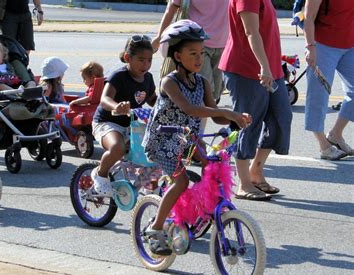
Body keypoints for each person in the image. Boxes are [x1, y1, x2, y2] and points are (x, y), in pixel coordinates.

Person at [142, 20, 251, 256]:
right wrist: (224, 112)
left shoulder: (202, 81)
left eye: (201, 53)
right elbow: (190, 109)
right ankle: (155, 228)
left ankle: (199, 210)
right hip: (163, 142)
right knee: (181, 182)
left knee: (212, 165)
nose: (199, 58)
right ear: (177, 56)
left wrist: (234, 118)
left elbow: (215, 114)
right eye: (193, 53)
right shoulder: (169, 82)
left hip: (188, 139)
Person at [219, 0, 293, 200]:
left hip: (271, 69)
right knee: (248, 123)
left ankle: (256, 172)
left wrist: (273, 66)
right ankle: (243, 183)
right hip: (247, 70)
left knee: (281, 119)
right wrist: (264, 66)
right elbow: (251, 32)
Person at [91, 35, 157, 197]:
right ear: (128, 57)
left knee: (155, 150)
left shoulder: (148, 78)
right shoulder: (118, 76)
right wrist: (117, 106)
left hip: (130, 126)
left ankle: (146, 184)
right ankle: (100, 174)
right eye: (141, 60)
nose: (146, 65)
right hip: (107, 123)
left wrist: (169, 106)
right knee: (118, 148)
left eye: (149, 60)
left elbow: (153, 100)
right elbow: (104, 99)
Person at [304, 0, 354, 160]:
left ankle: (336, 134)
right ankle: (323, 145)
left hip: (350, 45)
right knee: (318, 96)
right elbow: (309, 17)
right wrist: (310, 47)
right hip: (323, 46)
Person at [152, 0, 228, 103]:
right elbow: (171, 9)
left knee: (214, 95)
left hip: (224, 44)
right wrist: (158, 38)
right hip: (198, 45)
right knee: (204, 94)